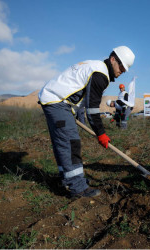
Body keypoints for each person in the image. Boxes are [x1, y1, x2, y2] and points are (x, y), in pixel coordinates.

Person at [38, 46, 135, 199]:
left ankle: (69, 179)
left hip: (56, 101)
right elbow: (92, 109)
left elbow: (83, 98)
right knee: (71, 143)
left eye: (125, 68)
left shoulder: (96, 67)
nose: (123, 70)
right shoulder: (100, 74)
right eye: (121, 65)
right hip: (57, 102)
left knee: (63, 143)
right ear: (113, 59)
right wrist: (101, 133)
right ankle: (77, 188)